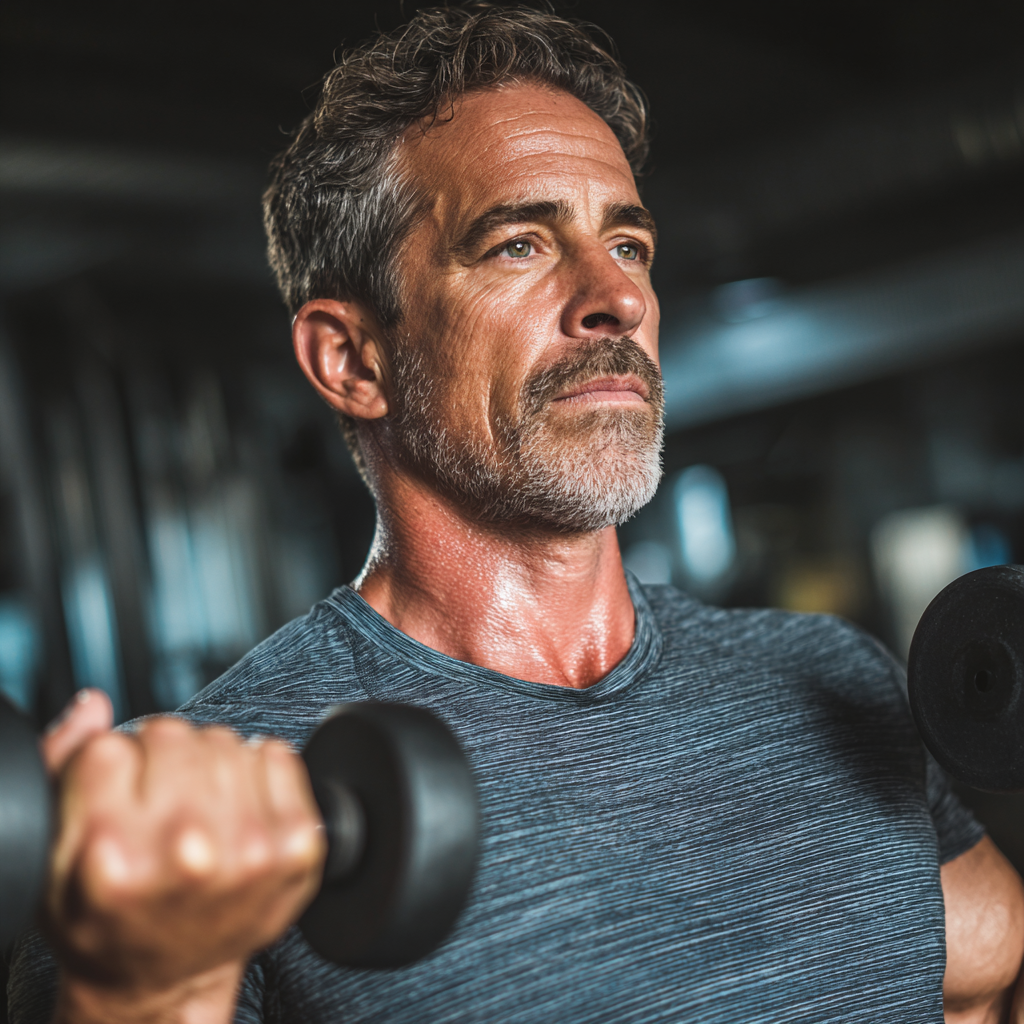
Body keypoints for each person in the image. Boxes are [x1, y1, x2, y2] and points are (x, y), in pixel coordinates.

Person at [9, 5, 1024, 1022]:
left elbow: (985, 984)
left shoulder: (826, 677)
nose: (616, 298)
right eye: (517, 245)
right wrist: (146, 987)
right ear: (352, 360)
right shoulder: (211, 817)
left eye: (627, 243)